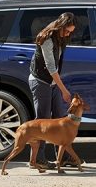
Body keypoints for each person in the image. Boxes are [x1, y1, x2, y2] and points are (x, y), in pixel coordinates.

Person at [29, 12, 77, 168]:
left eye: (71, 32)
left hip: (52, 83)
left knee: (59, 118)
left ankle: (62, 157)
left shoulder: (60, 38)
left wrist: (58, 87)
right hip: (40, 81)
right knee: (42, 121)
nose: (68, 34)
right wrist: (64, 90)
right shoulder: (47, 39)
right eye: (67, 31)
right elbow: (51, 68)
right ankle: (37, 159)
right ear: (60, 26)